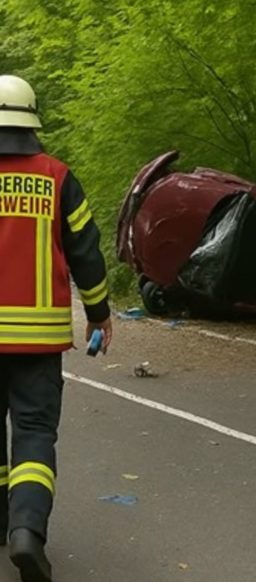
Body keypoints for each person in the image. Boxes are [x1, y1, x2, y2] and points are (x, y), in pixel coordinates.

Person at [0, 74, 113, 582]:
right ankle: (26, 531)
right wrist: (100, 313)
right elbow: (86, 251)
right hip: (39, 340)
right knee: (34, 434)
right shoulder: (57, 176)